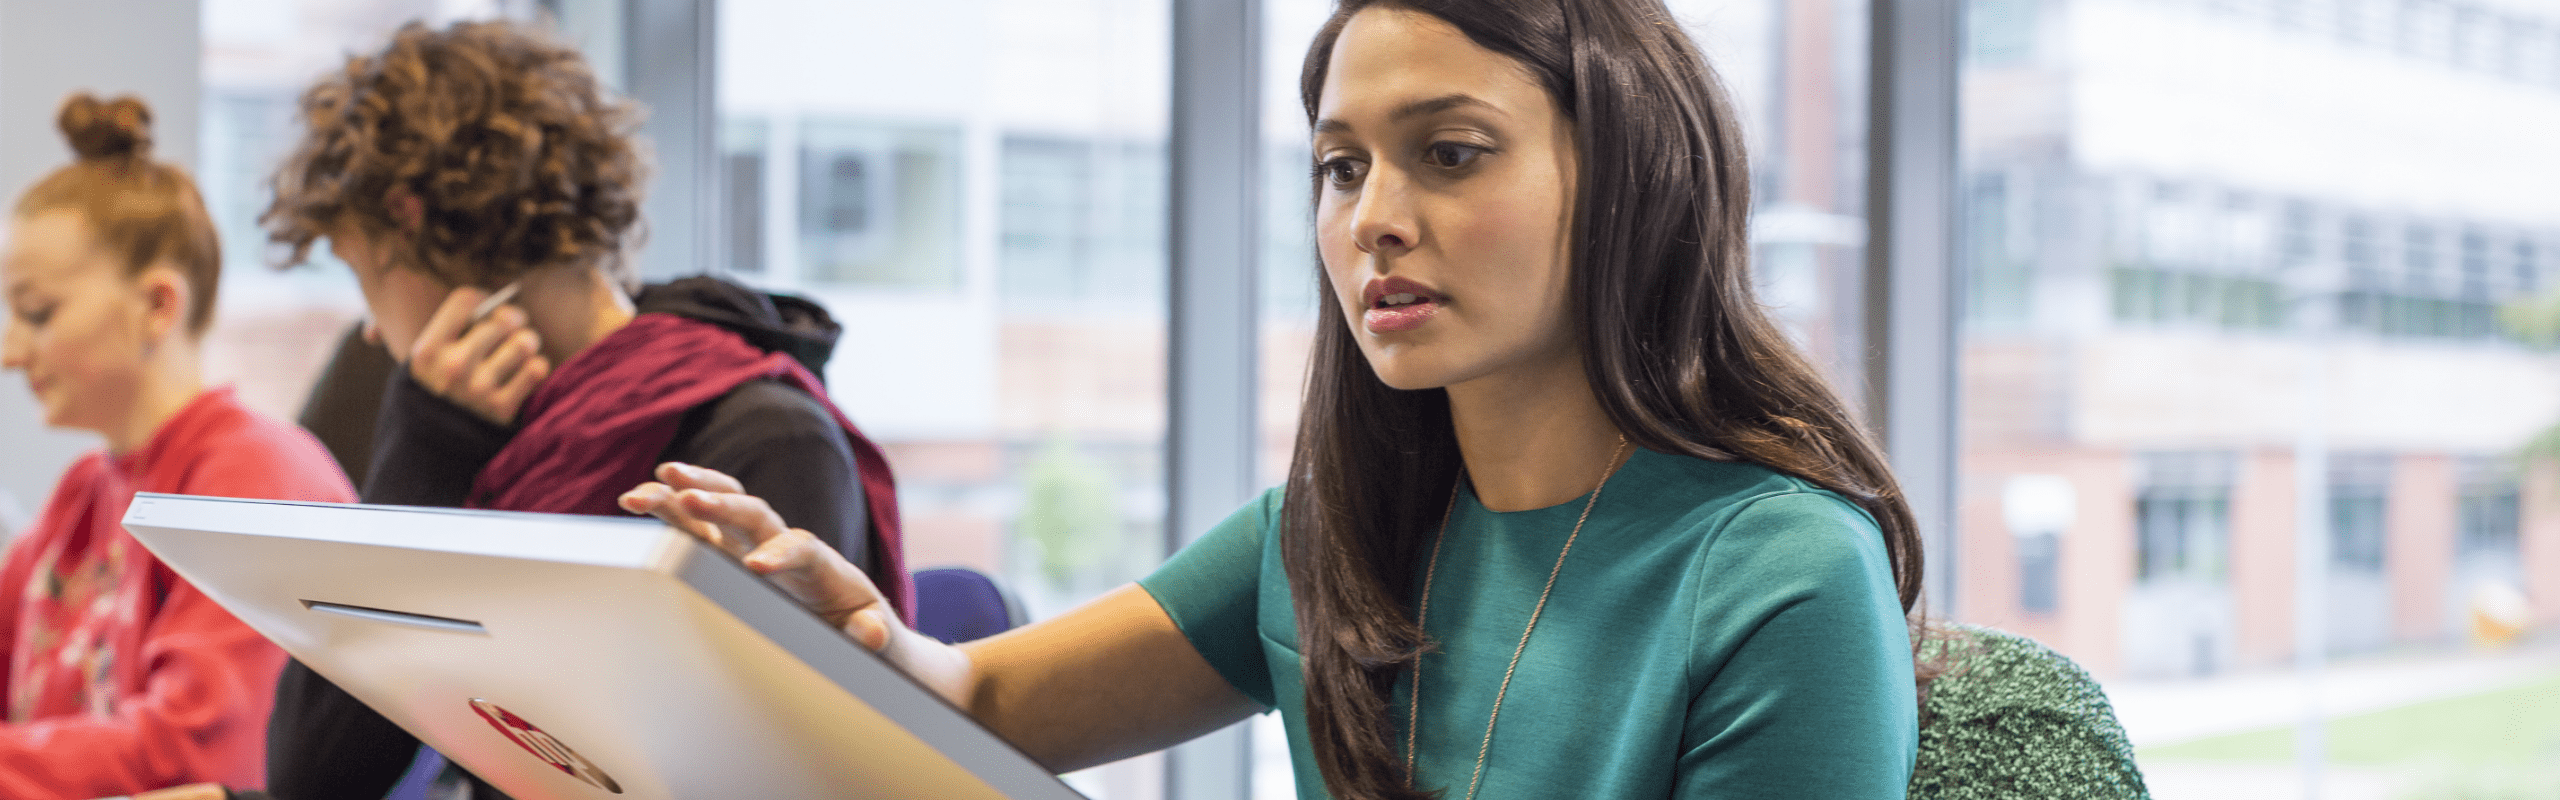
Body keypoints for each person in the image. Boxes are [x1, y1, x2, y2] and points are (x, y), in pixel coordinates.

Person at [626, 0, 1926, 797]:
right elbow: (981, 705)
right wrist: (861, 637)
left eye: (1450, 153)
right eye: (1341, 167)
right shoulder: (1328, 530)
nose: (1376, 220)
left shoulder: (1785, 573)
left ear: (1633, 174)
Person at [238, 19, 911, 800]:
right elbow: (314, 778)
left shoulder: (763, 439)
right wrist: (419, 461)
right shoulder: (462, 439)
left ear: (408, 217)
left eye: (363, 278)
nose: (368, 326)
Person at [0, 94, 355, 799]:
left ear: (159, 304)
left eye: (37, 314)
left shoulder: (254, 474)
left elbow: (195, 754)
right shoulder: (83, 490)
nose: (11, 350)